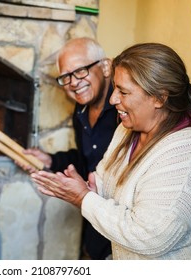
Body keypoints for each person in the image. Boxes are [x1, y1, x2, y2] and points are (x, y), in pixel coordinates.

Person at [31, 42, 191, 259]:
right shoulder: (126, 130)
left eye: (123, 92)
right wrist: (89, 187)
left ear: (160, 98)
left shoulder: (186, 154)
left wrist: (84, 198)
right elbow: (103, 176)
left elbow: (148, 236)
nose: (113, 99)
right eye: (115, 88)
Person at [19, 37, 115, 259]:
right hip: (93, 221)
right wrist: (49, 160)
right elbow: (85, 160)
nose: (73, 82)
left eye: (80, 70)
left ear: (105, 66)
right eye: (65, 76)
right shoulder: (80, 112)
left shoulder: (125, 109)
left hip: (121, 227)